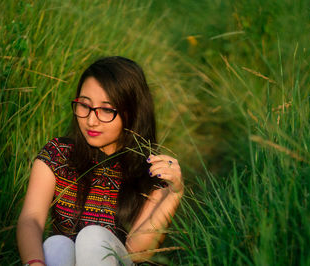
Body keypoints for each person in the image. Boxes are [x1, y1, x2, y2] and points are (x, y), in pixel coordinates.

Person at [16, 56, 184, 266]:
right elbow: (30, 219)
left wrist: (173, 194)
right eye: (84, 105)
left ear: (132, 113)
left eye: (106, 110)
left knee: (93, 238)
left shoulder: (150, 170)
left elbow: (138, 253)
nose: (91, 120)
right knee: (57, 244)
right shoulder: (58, 155)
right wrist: (34, 263)